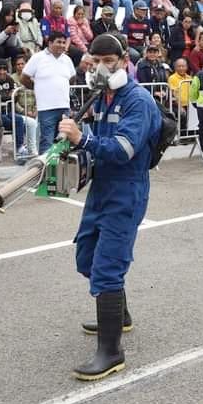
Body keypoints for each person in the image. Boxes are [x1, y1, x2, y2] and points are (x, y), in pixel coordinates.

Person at [57, 32, 162, 381]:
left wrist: (82, 138)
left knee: (107, 267)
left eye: (108, 61)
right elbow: (94, 142)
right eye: (95, 60)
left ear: (123, 62)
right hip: (101, 188)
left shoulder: (138, 101)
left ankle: (111, 351)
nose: (101, 67)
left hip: (126, 190)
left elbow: (122, 149)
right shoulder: (101, 97)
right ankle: (120, 315)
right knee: (87, 256)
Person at [21, 32, 75, 153]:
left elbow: (72, 78)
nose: (62, 45)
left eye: (63, 42)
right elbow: (24, 78)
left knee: (63, 142)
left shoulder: (67, 59)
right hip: (46, 108)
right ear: (50, 43)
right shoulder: (37, 57)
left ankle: (61, 170)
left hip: (64, 107)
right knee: (47, 142)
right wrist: (37, 87)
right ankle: (46, 171)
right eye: (58, 42)